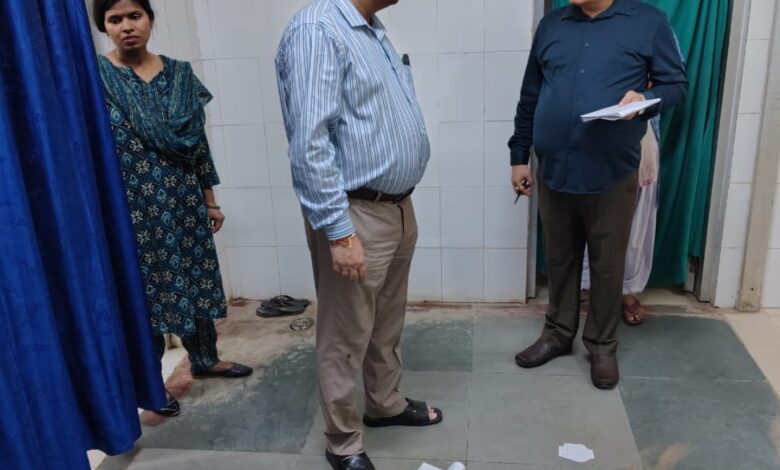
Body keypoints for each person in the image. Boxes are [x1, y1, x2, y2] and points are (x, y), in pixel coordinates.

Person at [276, 0, 442, 468]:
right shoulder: (317, 30)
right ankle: (343, 442)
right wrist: (339, 231)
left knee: (386, 321)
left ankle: (384, 403)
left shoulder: (371, 29)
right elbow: (310, 142)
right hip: (355, 212)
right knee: (344, 335)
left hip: (396, 208)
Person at [508, 0, 687, 389]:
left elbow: (676, 86)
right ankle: (558, 334)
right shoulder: (552, 26)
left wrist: (644, 99)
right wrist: (519, 156)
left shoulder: (647, 22)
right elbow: (530, 95)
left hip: (612, 171)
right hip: (555, 169)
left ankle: (602, 346)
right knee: (560, 258)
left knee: (608, 264)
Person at [92, 0, 252, 417]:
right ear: (104, 27)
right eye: (115, 19)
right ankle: (149, 384)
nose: (127, 26)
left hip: (183, 202)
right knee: (143, 294)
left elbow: (198, 145)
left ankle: (205, 358)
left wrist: (210, 201)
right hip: (132, 210)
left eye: (135, 16)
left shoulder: (180, 75)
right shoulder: (97, 78)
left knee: (196, 277)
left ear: (150, 19)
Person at [582, 118, 661, 325]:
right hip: (594, 139)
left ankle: (628, 290)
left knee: (636, 226)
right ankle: (585, 285)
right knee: (587, 216)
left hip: (639, 138)